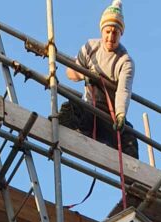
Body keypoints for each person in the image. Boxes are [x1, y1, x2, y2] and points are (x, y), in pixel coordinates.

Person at [59, 1, 139, 159]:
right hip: (89, 109)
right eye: (107, 31)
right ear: (102, 30)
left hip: (109, 119)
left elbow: (124, 90)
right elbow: (70, 73)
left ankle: (132, 181)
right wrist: (86, 74)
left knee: (129, 138)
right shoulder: (90, 47)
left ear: (121, 34)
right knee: (72, 106)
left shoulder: (125, 61)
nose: (110, 37)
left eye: (115, 32)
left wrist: (120, 115)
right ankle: (59, 133)